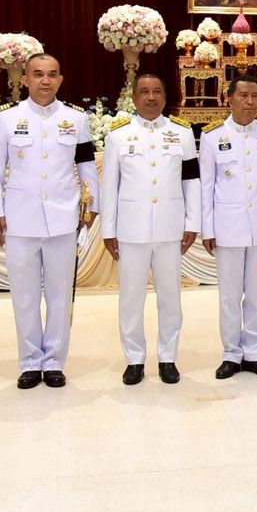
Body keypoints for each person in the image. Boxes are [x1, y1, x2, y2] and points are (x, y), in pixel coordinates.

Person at [0, 53, 95, 389]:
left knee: (60, 295)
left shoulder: (76, 120)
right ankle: (31, 361)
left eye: (51, 74)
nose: (45, 80)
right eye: (37, 74)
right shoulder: (7, 120)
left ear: (60, 79)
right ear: (25, 80)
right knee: (25, 295)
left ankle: (55, 362)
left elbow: (86, 167)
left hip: (64, 218)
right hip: (20, 220)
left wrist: (91, 208)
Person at [97, 71, 199, 386]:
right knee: (131, 298)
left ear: (166, 97)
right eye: (144, 91)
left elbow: (191, 182)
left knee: (170, 297)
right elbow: (109, 185)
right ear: (134, 97)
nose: (151, 97)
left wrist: (192, 223)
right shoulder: (118, 135)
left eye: (157, 91)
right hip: (131, 230)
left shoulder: (182, 133)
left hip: (170, 229)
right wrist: (108, 230)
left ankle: (168, 357)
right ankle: (135, 359)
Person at [199, 74, 257, 379]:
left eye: (255, 96)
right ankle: (231, 354)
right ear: (229, 98)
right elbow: (206, 187)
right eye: (243, 95)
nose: (250, 102)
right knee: (229, 295)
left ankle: (254, 352)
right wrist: (208, 229)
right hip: (227, 227)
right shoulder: (212, 137)